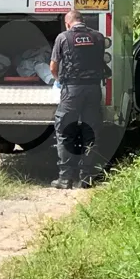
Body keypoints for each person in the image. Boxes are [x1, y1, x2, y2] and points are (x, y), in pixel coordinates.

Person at [49, 10, 107, 189]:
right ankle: (87, 178)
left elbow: (53, 67)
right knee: (90, 131)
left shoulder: (63, 38)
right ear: (83, 21)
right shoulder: (98, 37)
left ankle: (65, 179)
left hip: (72, 90)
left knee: (65, 130)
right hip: (93, 89)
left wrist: (59, 81)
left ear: (68, 23)